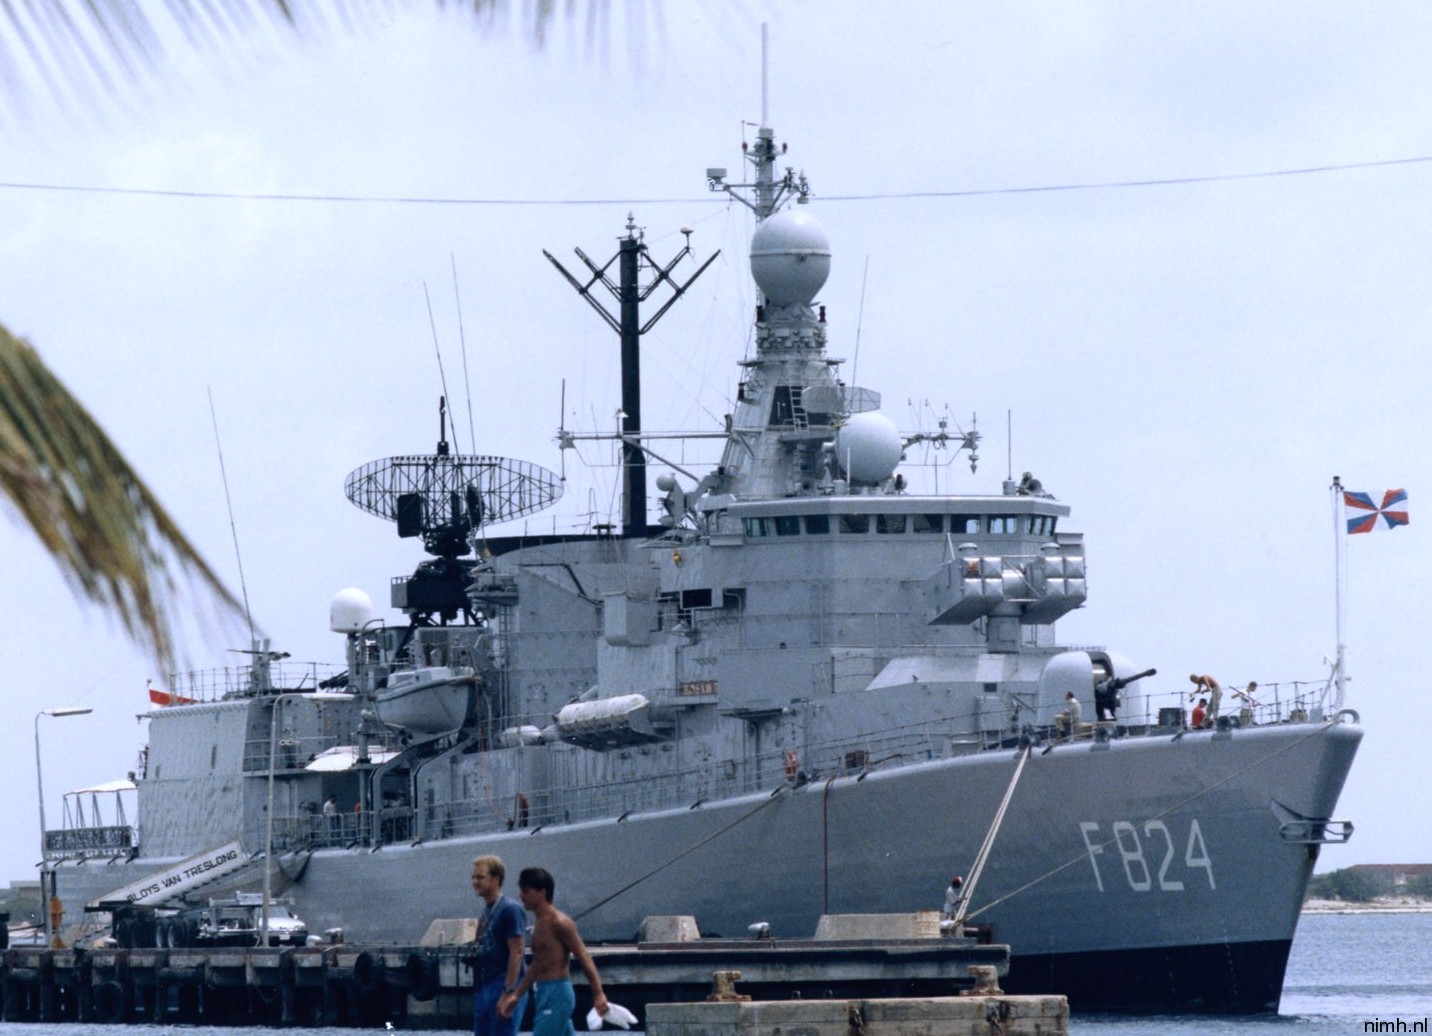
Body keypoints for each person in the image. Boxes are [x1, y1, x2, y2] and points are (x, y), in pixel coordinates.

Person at [498, 867, 608, 1036]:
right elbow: (537, 965)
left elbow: (583, 956)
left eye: (525, 891)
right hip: (543, 993)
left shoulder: (560, 922)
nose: (521, 895)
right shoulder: (539, 925)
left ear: (541, 892)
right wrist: (516, 996)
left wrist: (599, 994)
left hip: (557, 994)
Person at [471, 855, 528, 1036]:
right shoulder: (487, 911)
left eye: (480, 877)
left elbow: (517, 952)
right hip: (486, 983)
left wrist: (508, 992)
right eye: (473, 877)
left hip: (504, 983)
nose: (475, 882)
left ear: (495, 879)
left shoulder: (510, 909)